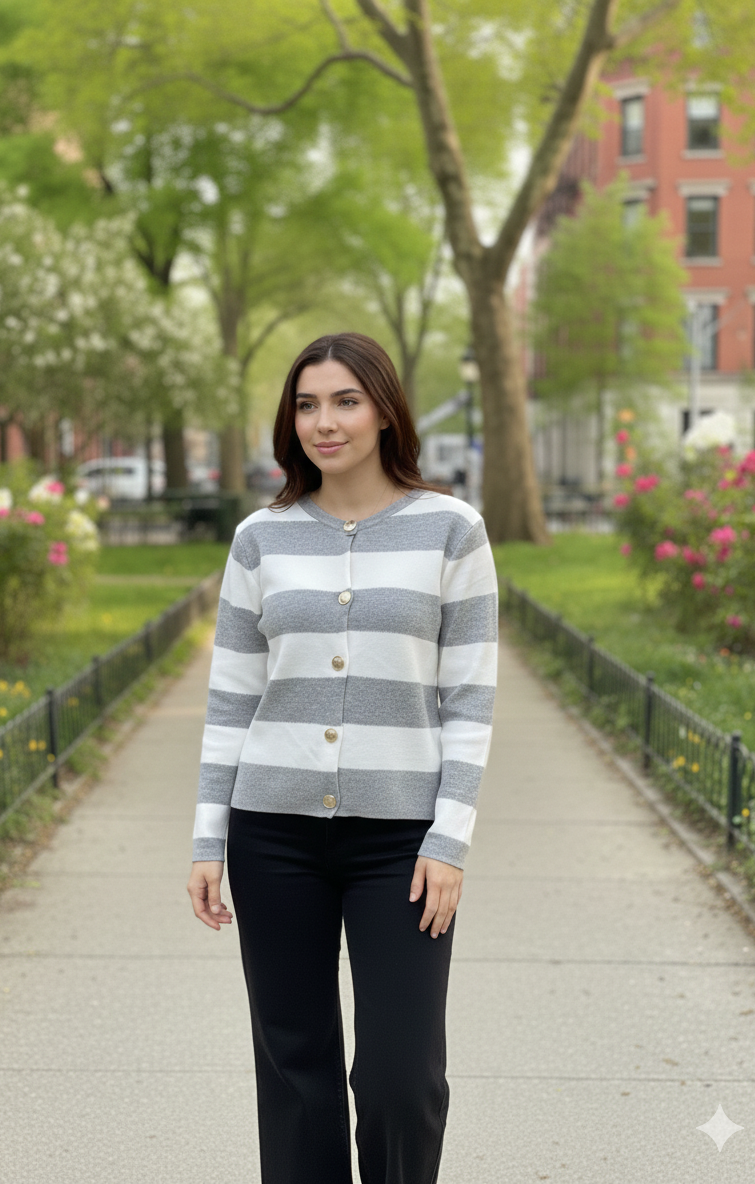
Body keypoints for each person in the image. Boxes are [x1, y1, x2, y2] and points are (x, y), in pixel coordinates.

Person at [187, 332, 497, 1184]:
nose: (325, 421)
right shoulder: (261, 538)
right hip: (272, 832)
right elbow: (231, 700)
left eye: (346, 400)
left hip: (401, 842)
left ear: (385, 409)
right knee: (294, 1074)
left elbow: (470, 699)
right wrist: (209, 839)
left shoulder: (452, 531)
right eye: (307, 404)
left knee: (402, 1077)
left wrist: (450, 840)